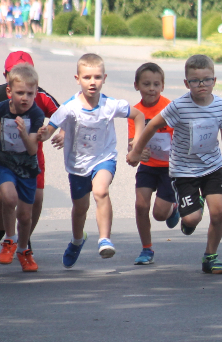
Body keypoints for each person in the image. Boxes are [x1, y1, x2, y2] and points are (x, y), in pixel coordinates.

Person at [127, 55, 222, 274]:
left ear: (214, 80)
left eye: (206, 80)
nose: (201, 85)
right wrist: (137, 151)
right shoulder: (178, 106)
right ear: (187, 83)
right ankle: (191, 207)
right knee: (191, 218)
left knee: (219, 212)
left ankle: (211, 256)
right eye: (195, 81)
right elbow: (151, 127)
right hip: (184, 170)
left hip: (212, 167)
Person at [39, 54, 145, 266]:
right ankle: (77, 240)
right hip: (78, 165)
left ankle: (105, 239)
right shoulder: (70, 107)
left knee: (101, 191)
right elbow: (48, 131)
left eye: (97, 77)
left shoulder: (110, 105)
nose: (92, 82)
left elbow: (138, 115)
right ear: (77, 79)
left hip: (104, 159)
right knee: (80, 209)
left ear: (104, 78)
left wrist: (136, 144)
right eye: (87, 77)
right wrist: (39, 133)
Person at [0, 52, 59, 243]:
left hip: (31, 158)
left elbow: (62, 114)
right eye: (14, 72)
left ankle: (24, 241)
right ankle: (8, 235)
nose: (24, 94)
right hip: (5, 158)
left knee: (36, 199)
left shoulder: (39, 97)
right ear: (6, 78)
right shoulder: (3, 98)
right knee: (7, 197)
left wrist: (57, 132)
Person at [127, 63, 180, 265]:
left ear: (162, 86)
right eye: (146, 84)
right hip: (148, 166)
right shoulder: (135, 112)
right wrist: (137, 151)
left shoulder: (170, 108)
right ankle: (146, 249)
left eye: (156, 84)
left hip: (169, 167)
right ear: (136, 85)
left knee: (159, 214)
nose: (151, 88)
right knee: (141, 205)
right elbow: (132, 142)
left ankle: (173, 207)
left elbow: (182, 136)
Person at [0, 64, 45, 271]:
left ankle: (23, 249)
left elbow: (32, 150)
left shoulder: (35, 115)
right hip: (5, 163)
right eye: (20, 93)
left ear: (36, 92)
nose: (25, 98)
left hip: (27, 167)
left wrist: (24, 133)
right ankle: (9, 239)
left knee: (25, 216)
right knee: (9, 197)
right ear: (9, 91)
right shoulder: (1, 109)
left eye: (30, 93)